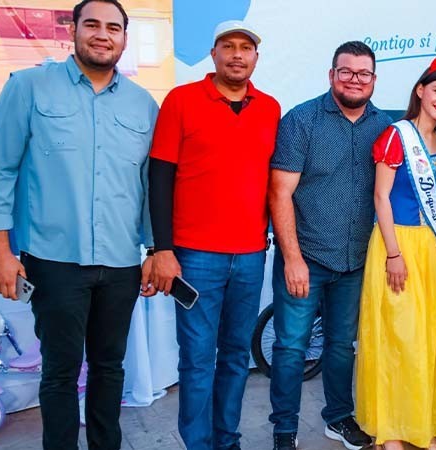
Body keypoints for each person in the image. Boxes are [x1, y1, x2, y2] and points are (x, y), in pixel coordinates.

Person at [0, 1, 158, 448]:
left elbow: (148, 186)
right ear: (74, 31)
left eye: (114, 28)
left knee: (109, 368)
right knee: (60, 372)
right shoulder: (29, 87)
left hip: (121, 263)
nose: (104, 35)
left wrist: (156, 250)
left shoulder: (143, 105)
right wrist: (0, 253)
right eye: (93, 25)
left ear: (124, 38)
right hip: (54, 261)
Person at [148, 20, 280, 450]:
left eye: (246, 47)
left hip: (249, 255)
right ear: (213, 53)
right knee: (199, 360)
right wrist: (162, 248)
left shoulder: (270, 108)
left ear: (256, 57)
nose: (237, 55)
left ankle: (228, 440)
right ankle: (199, 443)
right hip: (195, 257)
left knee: (237, 358)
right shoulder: (182, 100)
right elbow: (160, 176)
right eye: (228, 46)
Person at [268, 41, 393, 450]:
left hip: (356, 260)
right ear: (331, 75)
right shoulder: (301, 121)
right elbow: (280, 193)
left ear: (374, 80)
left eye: (363, 74)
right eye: (346, 72)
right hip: (305, 257)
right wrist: (292, 259)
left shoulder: (386, 126)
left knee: (342, 346)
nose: (355, 80)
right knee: (290, 348)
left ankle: (338, 418)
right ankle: (284, 429)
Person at [356, 56, 436, 450]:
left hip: (431, 249)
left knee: (429, 339)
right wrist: (393, 254)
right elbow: (381, 197)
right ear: (420, 90)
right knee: (398, 337)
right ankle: (393, 431)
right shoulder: (395, 135)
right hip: (397, 244)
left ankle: (422, 423)